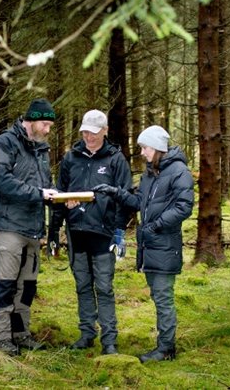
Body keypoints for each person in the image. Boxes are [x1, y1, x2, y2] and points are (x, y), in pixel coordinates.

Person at [93, 125, 193, 363]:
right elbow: (139, 201)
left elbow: (184, 206)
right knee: (159, 296)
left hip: (165, 244)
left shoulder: (179, 171)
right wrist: (115, 192)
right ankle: (164, 345)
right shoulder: (150, 173)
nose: (143, 153)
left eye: (145, 148)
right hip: (150, 245)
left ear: (157, 147)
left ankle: (166, 349)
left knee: (163, 297)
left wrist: (156, 225)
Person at [48, 110, 132, 356]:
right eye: (85, 132)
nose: (88, 137)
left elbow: (124, 199)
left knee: (104, 287)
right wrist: (54, 230)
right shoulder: (71, 158)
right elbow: (59, 194)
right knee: (82, 285)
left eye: (93, 133)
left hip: (103, 234)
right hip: (76, 232)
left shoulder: (116, 160)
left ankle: (109, 340)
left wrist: (118, 232)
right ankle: (87, 333)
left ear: (104, 131)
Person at [0, 98, 59, 356]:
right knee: (5, 285)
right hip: (9, 227)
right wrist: (39, 193)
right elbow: (0, 179)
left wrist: (61, 198)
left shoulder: (42, 150)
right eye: (45, 124)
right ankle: (1, 339)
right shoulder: (5, 143)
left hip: (33, 230)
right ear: (31, 120)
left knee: (26, 288)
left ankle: (21, 334)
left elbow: (46, 186)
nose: (48, 129)